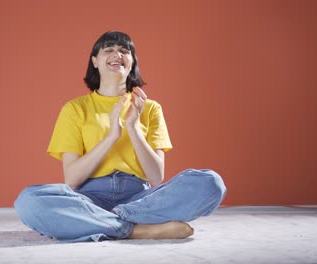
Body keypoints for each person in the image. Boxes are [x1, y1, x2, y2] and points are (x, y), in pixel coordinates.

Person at [14, 31, 227, 243]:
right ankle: (136, 230)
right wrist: (110, 137)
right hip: (89, 199)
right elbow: (72, 179)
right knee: (29, 201)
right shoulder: (75, 109)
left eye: (124, 51)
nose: (117, 54)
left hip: (141, 201)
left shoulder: (150, 108)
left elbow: (155, 177)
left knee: (211, 183)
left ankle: (98, 223)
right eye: (109, 50)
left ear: (132, 62)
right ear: (95, 61)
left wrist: (132, 127)